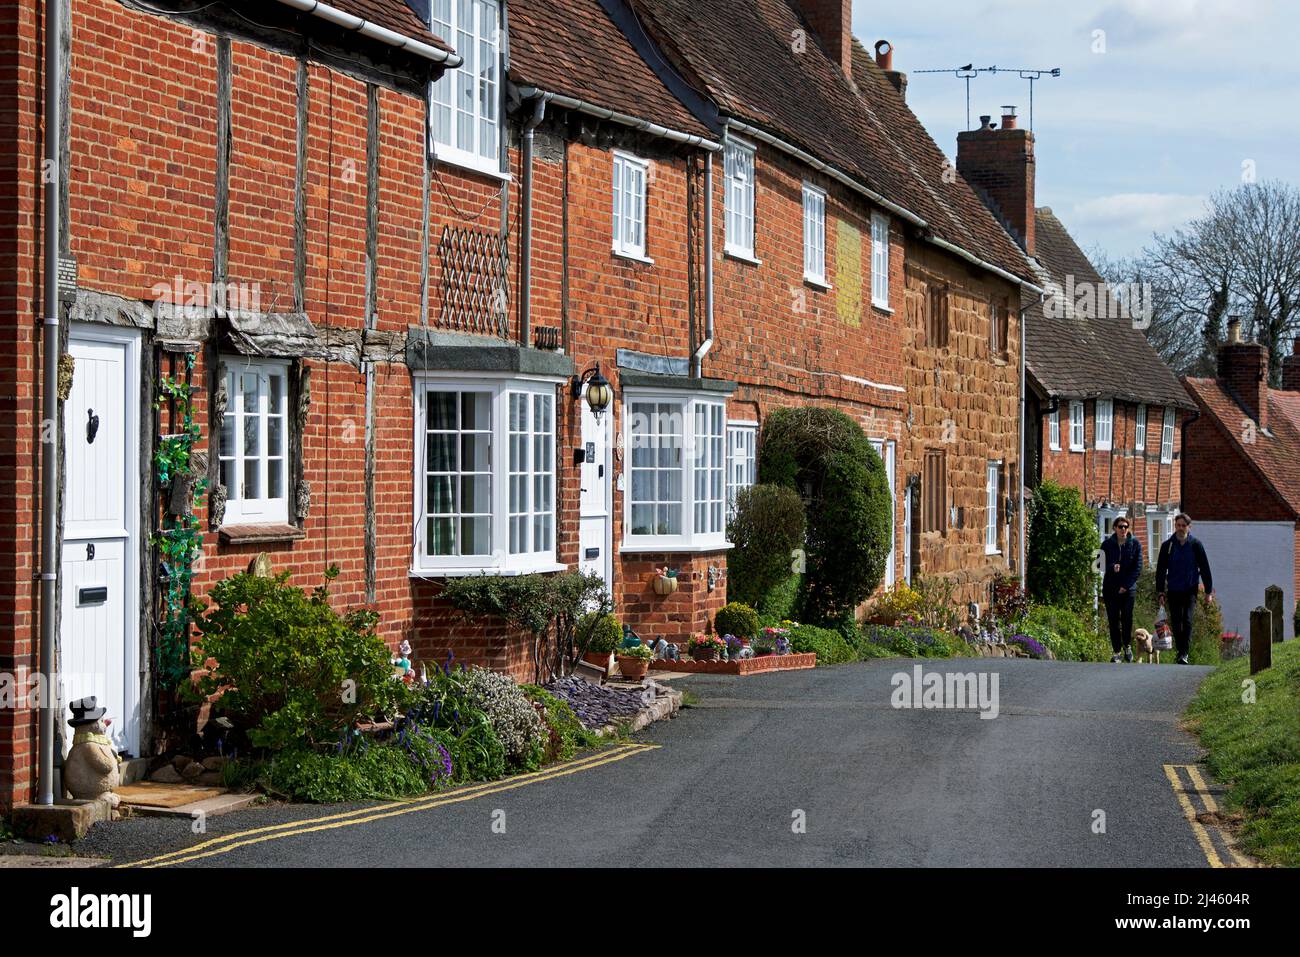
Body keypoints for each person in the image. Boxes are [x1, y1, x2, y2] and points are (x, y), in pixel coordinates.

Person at [1155, 513, 1215, 665]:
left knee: (1187, 620)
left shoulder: (1196, 545)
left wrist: (1208, 591)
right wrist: (1160, 591)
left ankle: (1184, 653)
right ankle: (1180, 651)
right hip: (1173, 589)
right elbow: (1161, 570)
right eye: (1178, 525)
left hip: (1190, 589)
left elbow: (1205, 568)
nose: (1180, 528)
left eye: (1183, 526)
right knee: (1176, 622)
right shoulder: (1167, 546)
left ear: (1189, 527)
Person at [1101, 516, 1142, 662]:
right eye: (1120, 527)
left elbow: (1137, 568)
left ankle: (1127, 646)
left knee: (1126, 619)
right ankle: (1117, 651)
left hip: (1128, 589)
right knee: (1113, 620)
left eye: (1125, 526)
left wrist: (1126, 586)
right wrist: (1112, 566)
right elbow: (1097, 564)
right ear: (1115, 529)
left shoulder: (1135, 544)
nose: (1123, 529)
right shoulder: (1106, 544)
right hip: (1110, 588)